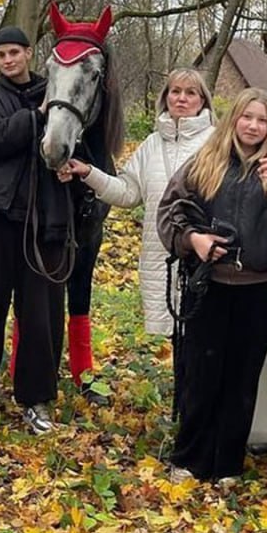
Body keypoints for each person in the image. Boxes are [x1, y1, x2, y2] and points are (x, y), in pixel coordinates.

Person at [157, 89, 267, 483]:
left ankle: (227, 464)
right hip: (210, 285)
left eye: (262, 120)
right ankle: (189, 459)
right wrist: (194, 241)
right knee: (201, 373)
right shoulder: (204, 162)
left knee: (242, 377)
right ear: (233, 119)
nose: (253, 126)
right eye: (246, 117)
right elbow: (169, 213)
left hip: (258, 287)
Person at [0, 26, 72, 435]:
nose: (8, 60)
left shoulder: (56, 89)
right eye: (0, 54)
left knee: (41, 315)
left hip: (44, 218)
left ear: (28, 52)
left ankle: (36, 399)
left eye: (14, 53)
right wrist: (35, 116)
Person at [65, 68, 214, 337]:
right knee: (176, 345)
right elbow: (128, 193)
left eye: (191, 93)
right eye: (175, 91)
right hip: (160, 259)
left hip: (205, 259)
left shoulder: (217, 144)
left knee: (206, 341)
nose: (182, 98)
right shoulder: (152, 144)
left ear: (202, 100)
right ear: (165, 97)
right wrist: (90, 173)